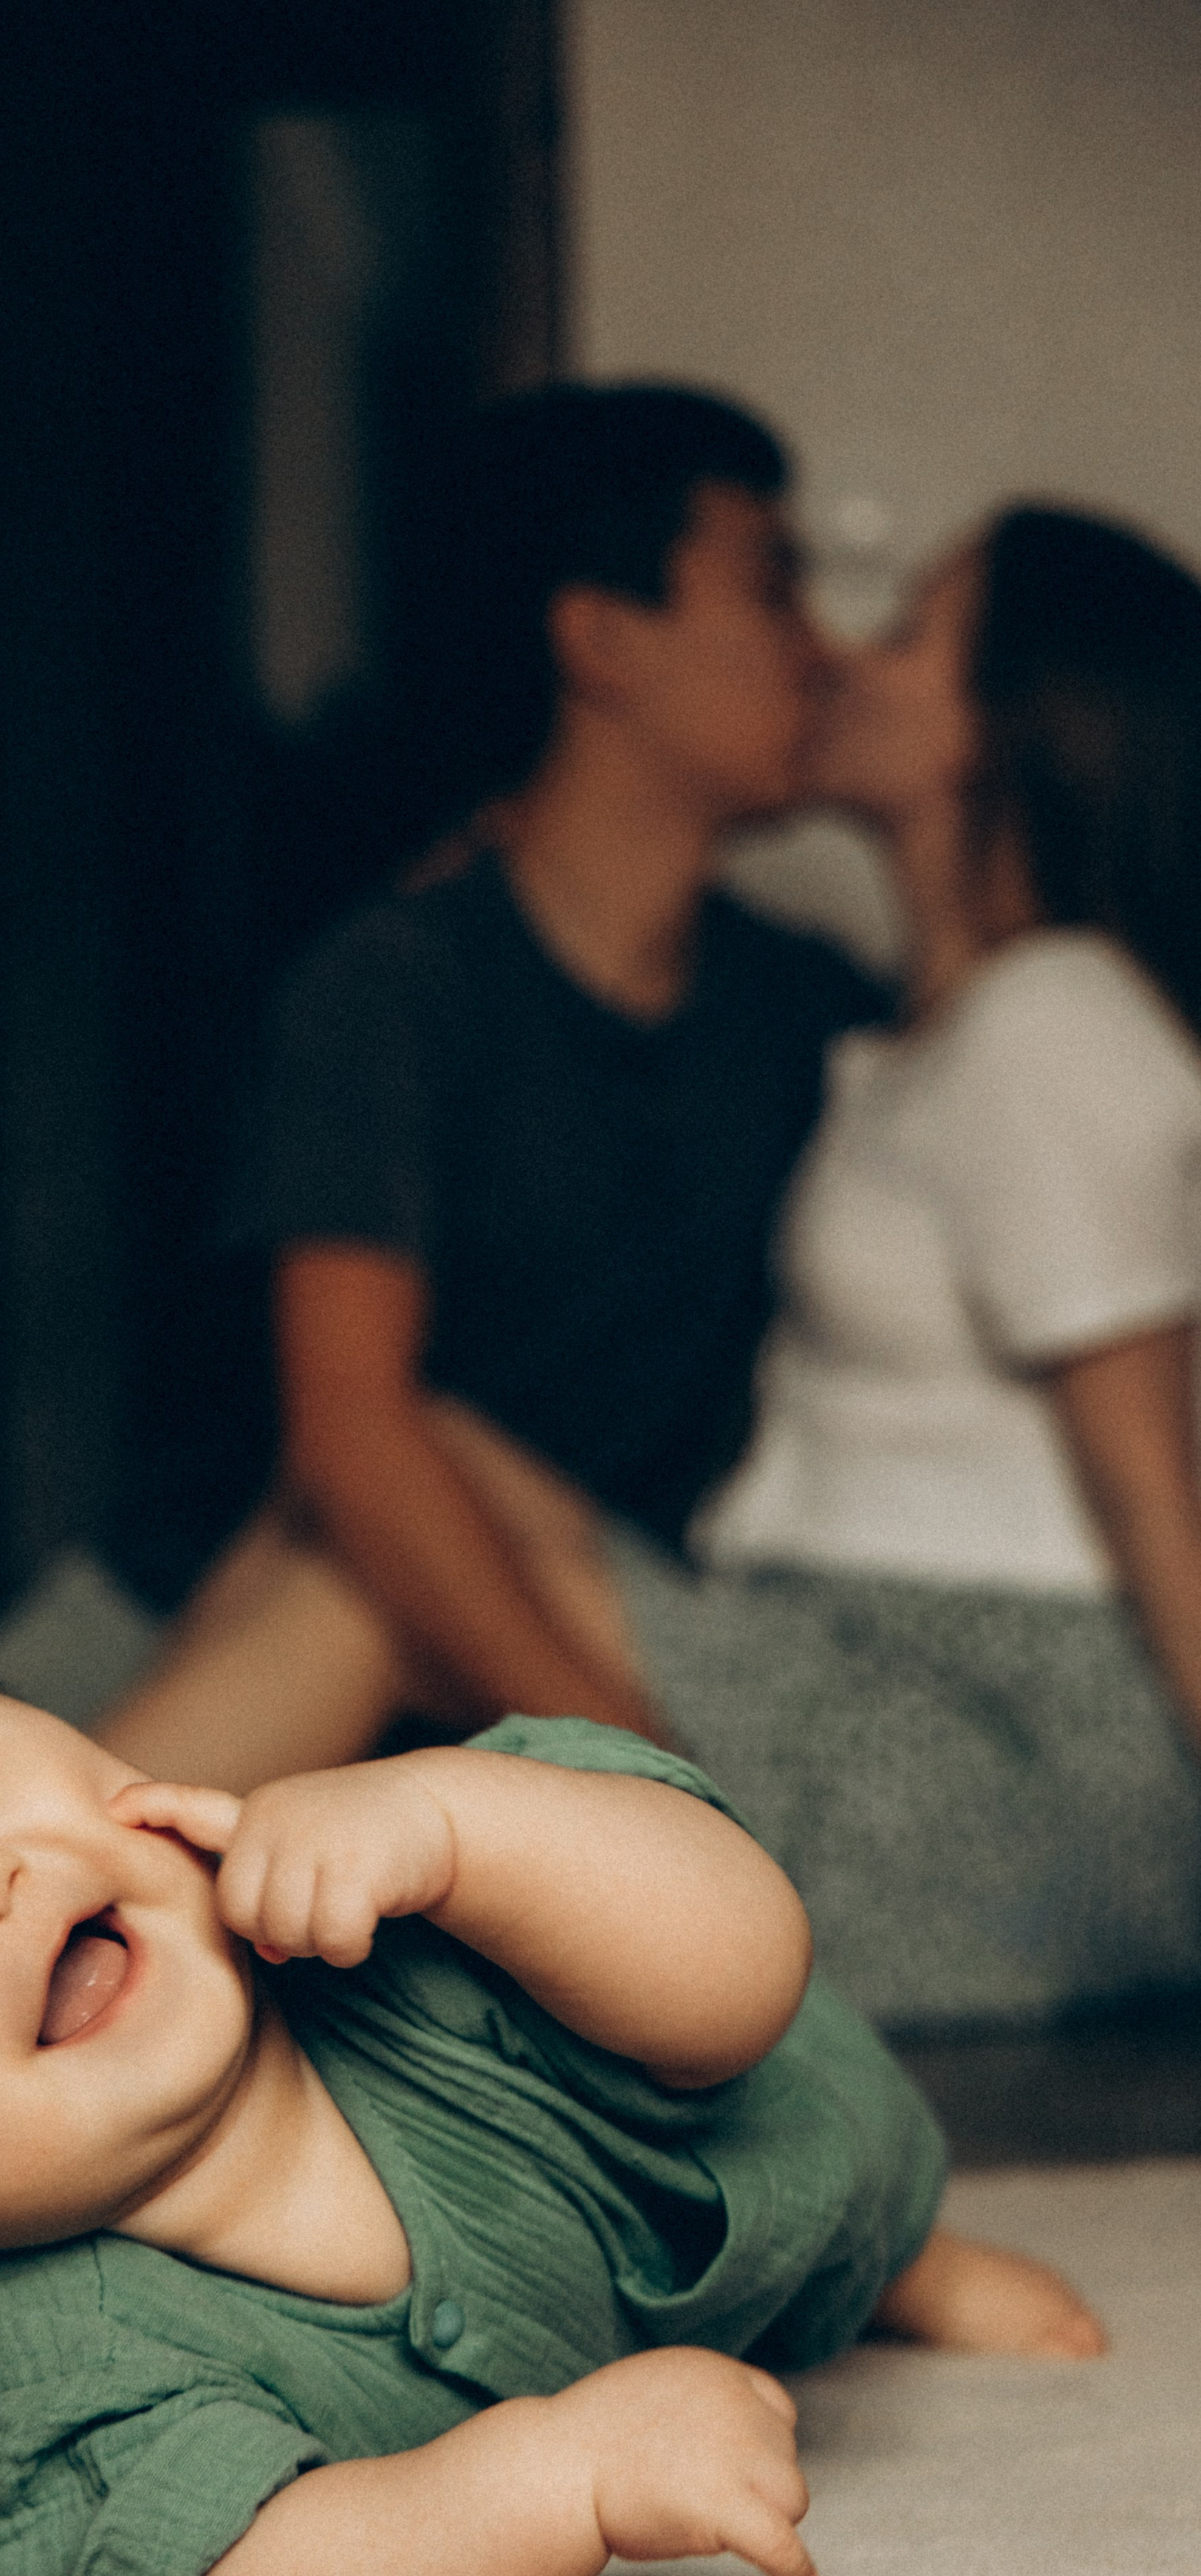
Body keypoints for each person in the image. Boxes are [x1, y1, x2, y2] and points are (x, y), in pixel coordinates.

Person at [0, 1605, 1102, 2576]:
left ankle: (897, 2264)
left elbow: (738, 1975)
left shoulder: (400, 1890)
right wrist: (554, 2485)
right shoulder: (46, 2381)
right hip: (592, 2390)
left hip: (753, 2132)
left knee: (825, 2169)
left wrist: (454, 1826)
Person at [95, 381, 890, 1795]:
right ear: (600, 639)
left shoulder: (803, 1000)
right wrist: (637, 1771)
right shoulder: (399, 980)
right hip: (234, 1594)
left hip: (551, 1609)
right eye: (775, 590)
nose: (823, 653)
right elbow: (350, 1434)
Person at [581, 504, 1201, 2029]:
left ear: (1000, 725)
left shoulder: (1046, 1027)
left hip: (1001, 1733)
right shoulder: (916, 1034)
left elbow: (1154, 1480)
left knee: (396, 1513)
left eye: (909, 633)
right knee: (404, 1493)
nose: (843, 661)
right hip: (865, 1660)